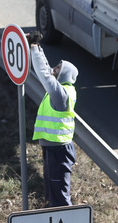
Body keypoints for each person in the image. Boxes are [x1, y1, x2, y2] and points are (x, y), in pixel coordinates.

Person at [27, 36, 79, 208]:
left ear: (63, 74)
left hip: (59, 149)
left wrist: (34, 49)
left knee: (59, 195)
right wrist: (38, 47)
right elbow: (46, 69)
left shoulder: (61, 94)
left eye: (57, 68)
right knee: (52, 192)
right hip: (54, 147)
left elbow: (44, 74)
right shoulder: (61, 90)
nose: (53, 69)